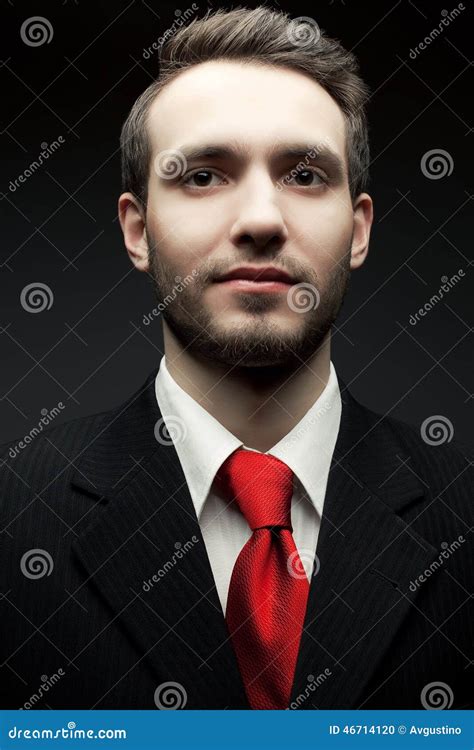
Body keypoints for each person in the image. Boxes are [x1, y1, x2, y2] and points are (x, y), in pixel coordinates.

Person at [0, 7, 472, 711]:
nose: (260, 219)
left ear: (359, 228)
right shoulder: (15, 520)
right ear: (137, 230)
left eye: (306, 175)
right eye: (202, 176)